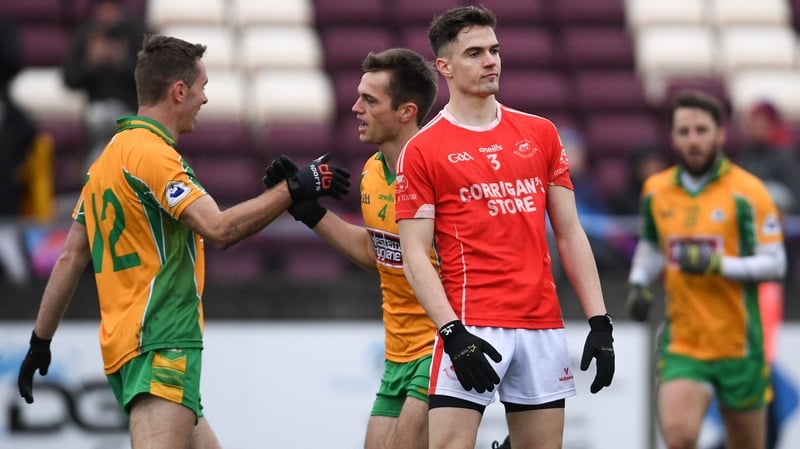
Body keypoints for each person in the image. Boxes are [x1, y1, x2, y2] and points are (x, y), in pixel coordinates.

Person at [17, 34, 350, 449]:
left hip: (130, 347)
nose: (205, 99)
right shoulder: (156, 157)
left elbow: (69, 257)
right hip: (162, 341)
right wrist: (296, 188)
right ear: (178, 91)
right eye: (202, 88)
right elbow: (220, 229)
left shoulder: (106, 160)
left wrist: (39, 341)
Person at [394, 6, 615, 449]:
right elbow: (415, 254)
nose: (490, 60)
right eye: (474, 53)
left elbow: (570, 233)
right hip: (471, 325)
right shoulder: (422, 150)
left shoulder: (541, 134)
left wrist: (600, 322)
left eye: (494, 50)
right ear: (445, 67)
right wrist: (451, 333)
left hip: (541, 326)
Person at [262, 47, 439, 449]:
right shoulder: (373, 171)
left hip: (440, 348)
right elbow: (376, 251)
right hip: (397, 353)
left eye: (370, 100)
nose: (356, 107)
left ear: (406, 112)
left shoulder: (442, 171)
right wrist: (307, 210)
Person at [624, 90, 786, 449]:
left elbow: (776, 264)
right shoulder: (656, 190)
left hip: (739, 346)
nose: (693, 140)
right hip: (685, 343)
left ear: (720, 134)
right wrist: (638, 282)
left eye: (701, 130)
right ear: (672, 137)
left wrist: (716, 264)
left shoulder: (748, 192)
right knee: (680, 437)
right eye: (684, 132)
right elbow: (651, 243)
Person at [62, 0, 149, 167]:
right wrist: (91, 62)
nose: (106, 16)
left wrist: (123, 61)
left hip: (133, 113)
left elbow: (154, 79)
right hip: (95, 113)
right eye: (102, 10)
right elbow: (69, 78)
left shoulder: (138, 33)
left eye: (111, 10)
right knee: (99, 123)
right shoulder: (86, 34)